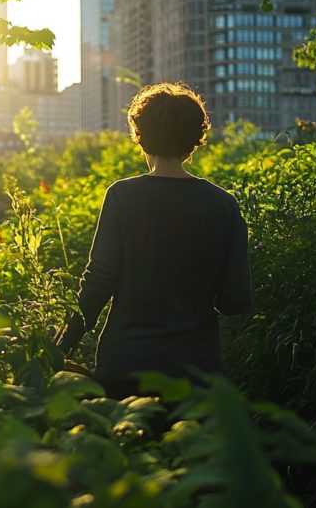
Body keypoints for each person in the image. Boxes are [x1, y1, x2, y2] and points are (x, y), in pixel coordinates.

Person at [58, 82, 252, 400]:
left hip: (125, 368)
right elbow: (236, 302)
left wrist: (59, 347)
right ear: (195, 140)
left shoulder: (122, 195)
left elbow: (98, 281)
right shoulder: (222, 204)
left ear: (141, 136)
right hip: (196, 373)